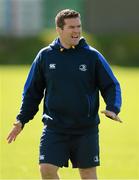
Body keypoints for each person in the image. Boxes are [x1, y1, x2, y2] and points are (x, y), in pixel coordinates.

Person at [7, 9, 122, 180]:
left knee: (88, 175)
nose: (77, 31)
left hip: (85, 129)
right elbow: (32, 92)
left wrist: (113, 108)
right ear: (59, 29)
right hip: (54, 128)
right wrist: (21, 120)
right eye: (71, 27)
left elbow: (111, 85)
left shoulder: (92, 56)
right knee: (46, 170)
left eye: (79, 26)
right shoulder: (45, 56)